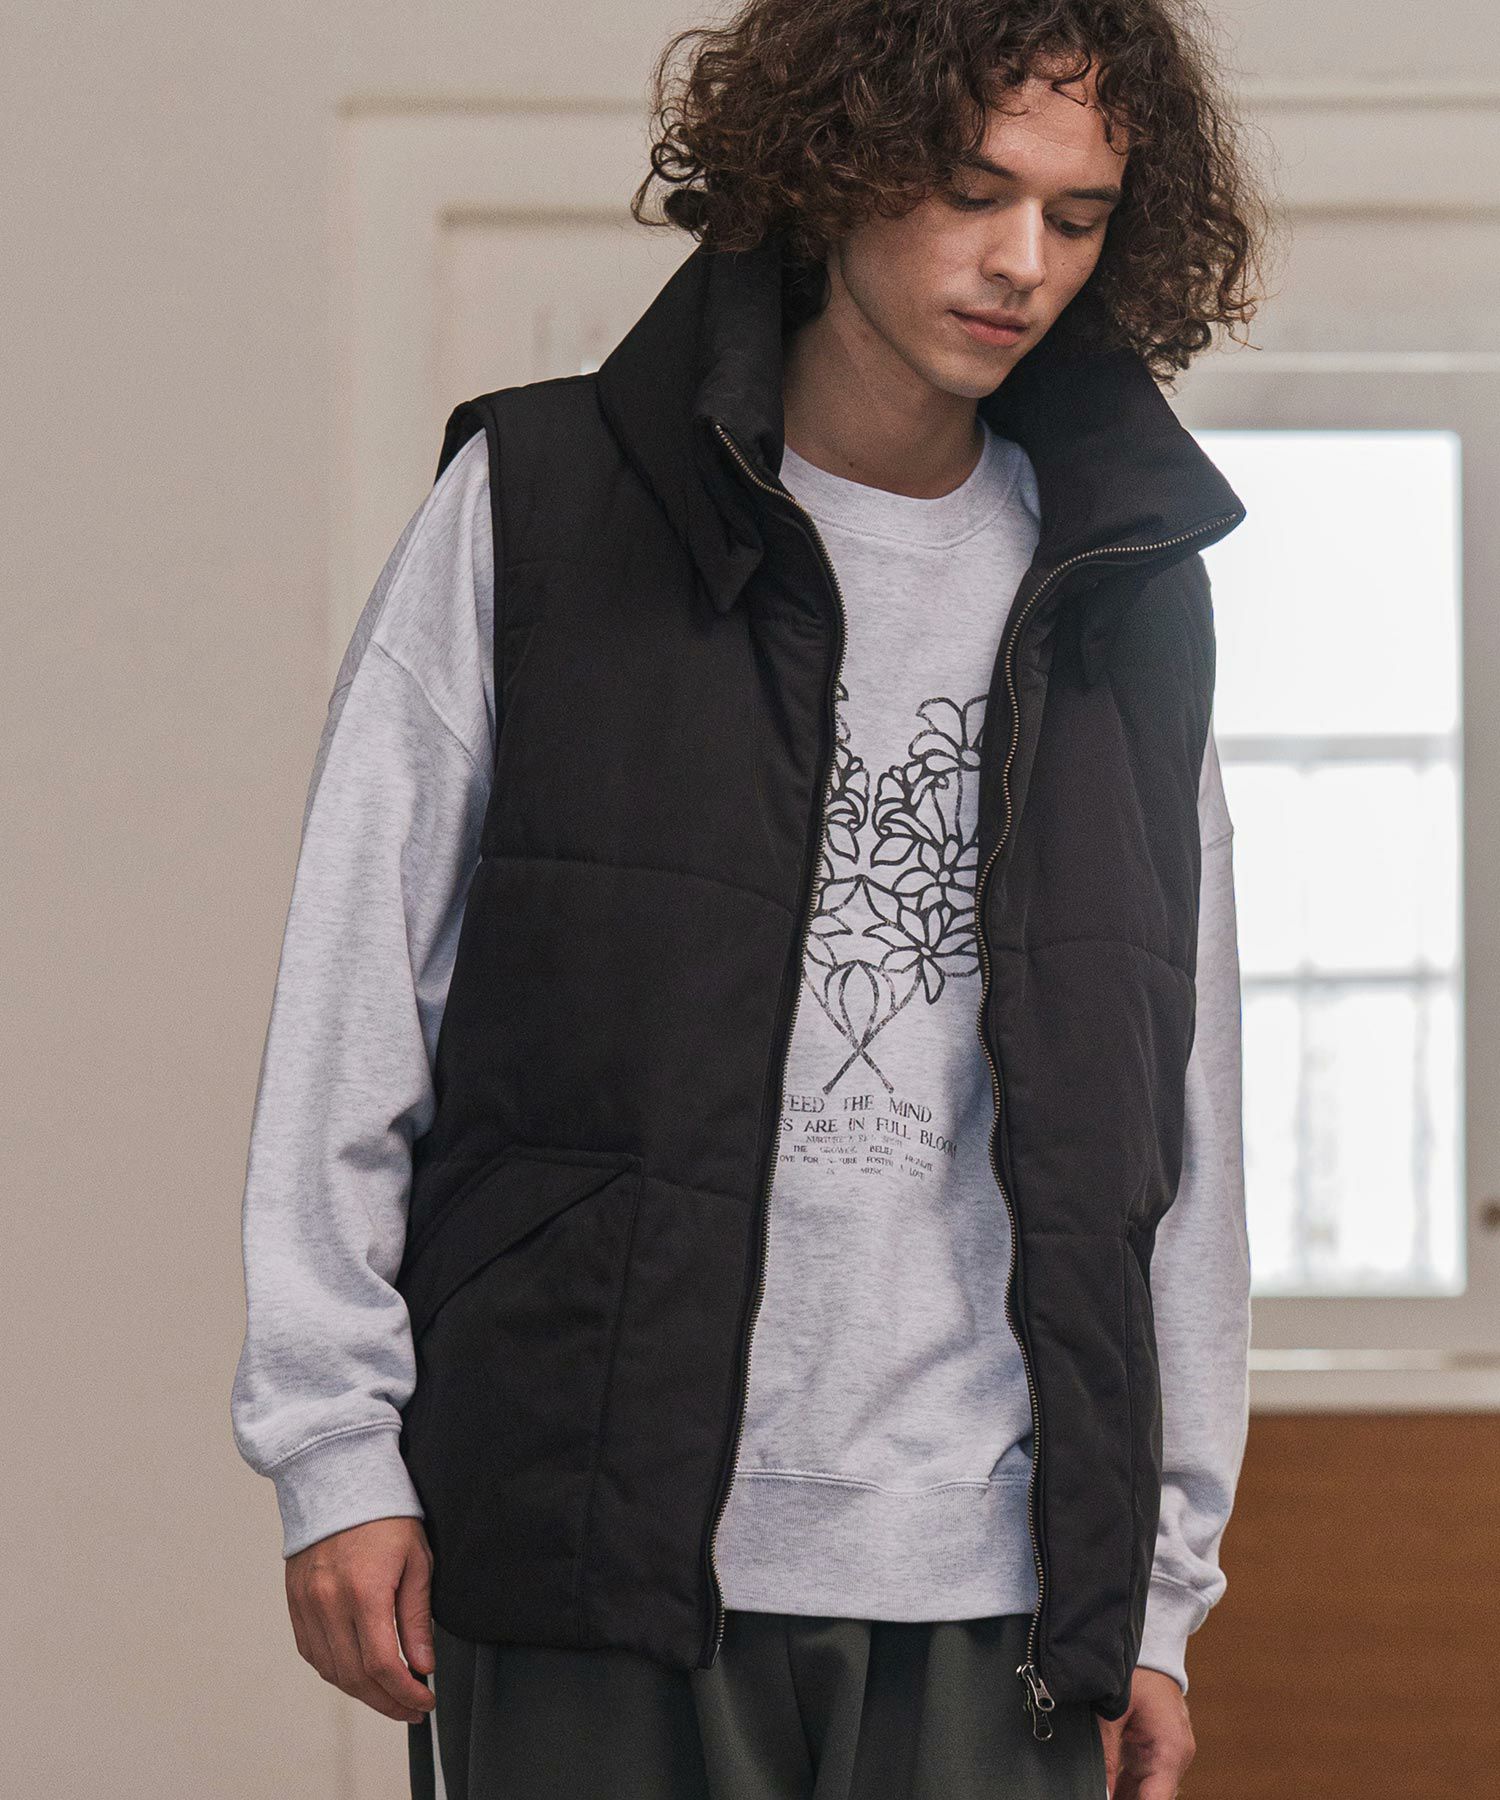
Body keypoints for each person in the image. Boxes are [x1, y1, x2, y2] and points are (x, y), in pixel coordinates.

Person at [231, 2, 1270, 1795]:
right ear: (836, 163)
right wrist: (335, 1447)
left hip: (994, 1585)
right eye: (971, 191)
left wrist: (1157, 1595)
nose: (1023, 262)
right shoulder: (541, 509)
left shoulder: (1128, 594)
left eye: (1079, 215)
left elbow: (1185, 1105)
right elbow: (357, 992)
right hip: (588, 1539)